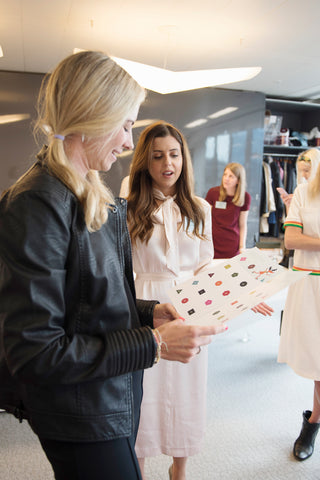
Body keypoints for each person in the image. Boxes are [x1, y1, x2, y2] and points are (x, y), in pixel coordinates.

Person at [0, 51, 227, 480]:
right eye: (125, 126)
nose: (128, 143)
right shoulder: (37, 204)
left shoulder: (87, 191)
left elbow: (86, 299)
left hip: (109, 390)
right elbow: (35, 352)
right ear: (91, 118)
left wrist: (149, 313)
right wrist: (154, 344)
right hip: (80, 409)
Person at [125, 121, 273, 480]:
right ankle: (138, 469)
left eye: (174, 154)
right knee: (143, 392)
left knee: (187, 390)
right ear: (145, 161)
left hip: (190, 306)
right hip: (145, 306)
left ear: (183, 159)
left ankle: (180, 470)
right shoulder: (128, 209)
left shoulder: (199, 208)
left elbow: (206, 264)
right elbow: (121, 267)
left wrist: (243, 289)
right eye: (158, 156)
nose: (167, 164)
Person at [278, 160, 320, 461]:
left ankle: (313, 422)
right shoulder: (305, 192)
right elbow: (291, 239)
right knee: (316, 361)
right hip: (310, 286)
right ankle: (313, 422)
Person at [278, 148, 320, 268]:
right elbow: (291, 239)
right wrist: (290, 207)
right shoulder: (301, 192)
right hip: (305, 268)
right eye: (301, 171)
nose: (303, 175)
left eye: (307, 170)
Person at [205, 162, 251, 259]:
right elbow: (205, 219)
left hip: (232, 246)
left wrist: (242, 247)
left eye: (231, 176)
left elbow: (242, 225)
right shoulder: (213, 193)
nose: (226, 179)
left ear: (238, 180)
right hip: (212, 244)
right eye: (225, 174)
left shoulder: (245, 197)